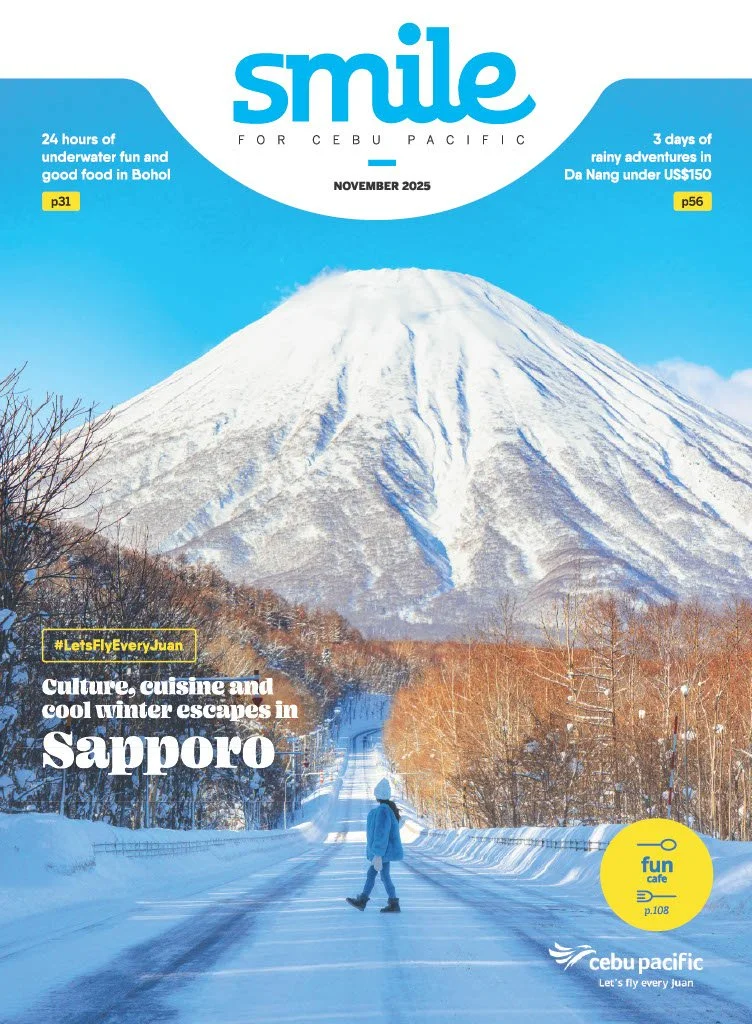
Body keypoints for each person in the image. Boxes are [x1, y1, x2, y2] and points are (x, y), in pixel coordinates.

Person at [346, 777, 404, 913]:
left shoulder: (383, 811)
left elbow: (381, 833)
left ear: (378, 795)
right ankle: (392, 902)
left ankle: (363, 900)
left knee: (373, 874)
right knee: (383, 876)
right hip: (384, 852)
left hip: (381, 853)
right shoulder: (386, 809)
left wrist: (378, 853)